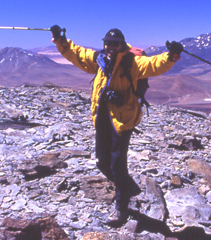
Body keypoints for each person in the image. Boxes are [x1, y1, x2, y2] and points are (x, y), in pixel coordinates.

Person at [50, 25, 183, 226]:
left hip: (123, 120)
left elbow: (154, 64)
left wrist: (170, 55)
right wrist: (60, 40)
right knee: (102, 162)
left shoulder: (131, 62)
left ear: (122, 45)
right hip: (102, 118)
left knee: (117, 166)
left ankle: (121, 208)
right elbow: (76, 53)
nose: (110, 46)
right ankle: (129, 187)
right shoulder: (99, 60)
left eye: (115, 43)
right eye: (108, 43)